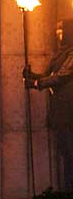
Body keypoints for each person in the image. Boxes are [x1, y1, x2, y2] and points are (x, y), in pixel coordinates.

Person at [25, 19, 73, 189]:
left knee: (70, 152)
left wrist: (37, 84)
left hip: (68, 110)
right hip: (59, 111)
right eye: (57, 30)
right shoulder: (60, 52)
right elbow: (49, 74)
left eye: (61, 30)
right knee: (65, 151)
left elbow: (62, 76)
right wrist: (33, 76)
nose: (58, 33)